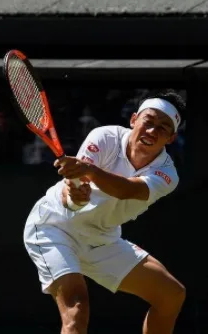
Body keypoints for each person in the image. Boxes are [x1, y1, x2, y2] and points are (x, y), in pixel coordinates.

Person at [23, 89, 187, 334]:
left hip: (102, 238)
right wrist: (76, 198)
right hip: (54, 227)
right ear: (133, 120)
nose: (152, 131)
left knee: (171, 295)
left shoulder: (167, 174)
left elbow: (127, 190)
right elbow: (71, 196)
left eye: (162, 128)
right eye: (148, 122)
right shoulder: (104, 137)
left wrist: (88, 170)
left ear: (171, 138)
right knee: (77, 310)